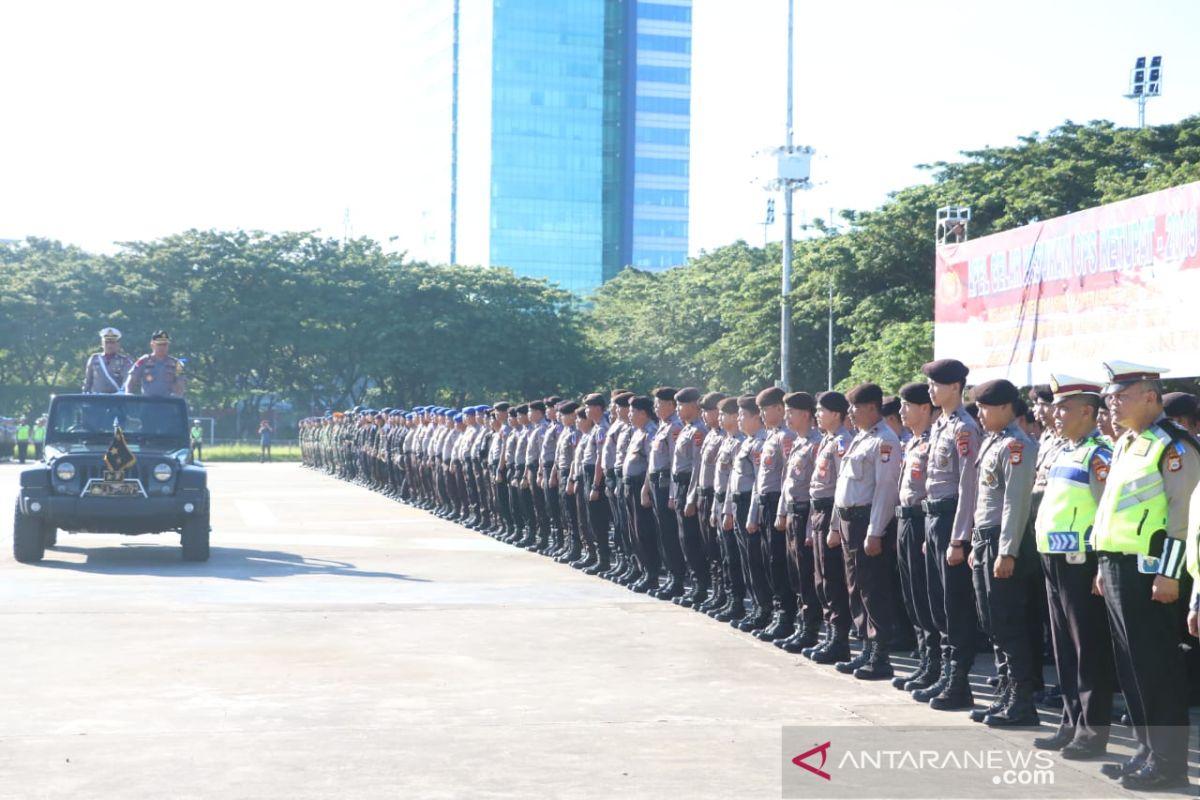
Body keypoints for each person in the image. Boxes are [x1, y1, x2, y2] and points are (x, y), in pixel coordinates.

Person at [1093, 361, 1197, 790]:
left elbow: (1180, 518)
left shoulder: (1174, 447)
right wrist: (1102, 564)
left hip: (1152, 572)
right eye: (1110, 397)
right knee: (1131, 669)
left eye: (1121, 396)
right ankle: (1146, 750)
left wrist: (1170, 575)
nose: (1112, 404)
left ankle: (1169, 763)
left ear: (1150, 397)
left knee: (1157, 670)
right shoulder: (1127, 443)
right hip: (1118, 566)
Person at [1031, 374, 1115, 758]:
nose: (1055, 413)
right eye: (1056, 406)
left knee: (1088, 649)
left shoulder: (1099, 454)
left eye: (1064, 407)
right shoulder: (1067, 450)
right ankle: (1070, 721)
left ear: (1088, 411)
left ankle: (1091, 732)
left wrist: (1100, 565)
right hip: (1054, 560)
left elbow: (1105, 513)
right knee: (1064, 647)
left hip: (1081, 562)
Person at [969, 379, 1039, 726]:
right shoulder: (993, 442)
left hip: (1003, 541)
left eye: (983, 408)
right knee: (993, 622)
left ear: (1002, 407)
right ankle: (1005, 693)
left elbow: (1016, 502)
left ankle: (1021, 700)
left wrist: (1007, 551)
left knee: (1009, 623)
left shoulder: (1016, 445)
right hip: (986, 539)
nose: (979, 414)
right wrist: (973, 542)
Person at [917, 358, 982, 711]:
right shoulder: (941, 425)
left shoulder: (964, 428)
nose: (930, 390)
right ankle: (945, 673)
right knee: (938, 603)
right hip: (934, 518)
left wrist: (959, 538)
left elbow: (967, 485)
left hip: (951, 519)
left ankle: (959, 681)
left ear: (955, 387)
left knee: (955, 605)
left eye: (936, 384)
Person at [833, 383, 903, 680]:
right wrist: (837, 524)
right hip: (850, 520)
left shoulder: (884, 441)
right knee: (856, 587)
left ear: (872, 408)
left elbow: (885, 491)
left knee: (873, 588)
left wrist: (875, 532)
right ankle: (865, 646)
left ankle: (879, 654)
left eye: (855, 407)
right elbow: (844, 485)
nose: (850, 412)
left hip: (867, 522)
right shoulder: (860, 439)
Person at [892, 382, 942, 692]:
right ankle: (925, 661)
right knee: (912, 597)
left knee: (927, 597)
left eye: (906, 406)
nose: (900, 412)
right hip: (905, 520)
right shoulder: (913, 442)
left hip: (925, 521)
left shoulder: (935, 440)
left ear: (924, 408)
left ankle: (935, 664)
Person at [125, 331, 187, 397]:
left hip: (168, 403)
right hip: (148, 402)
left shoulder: (177, 363)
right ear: (152, 345)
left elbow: (181, 384)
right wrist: (127, 393)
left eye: (165, 344)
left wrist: (178, 398)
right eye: (159, 344)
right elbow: (132, 378)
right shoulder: (143, 361)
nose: (162, 347)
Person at [82, 327, 135, 394]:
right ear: (102, 344)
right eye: (106, 342)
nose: (109, 345)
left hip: (116, 399)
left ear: (118, 344)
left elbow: (127, 381)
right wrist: (85, 394)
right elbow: (88, 382)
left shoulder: (125, 361)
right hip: (96, 399)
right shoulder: (94, 359)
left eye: (112, 342)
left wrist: (121, 392)